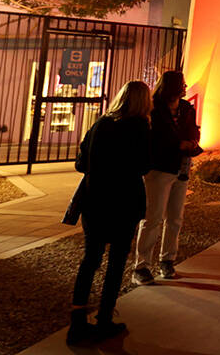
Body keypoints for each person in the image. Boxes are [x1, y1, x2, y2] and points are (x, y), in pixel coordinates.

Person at [67, 80, 151, 345]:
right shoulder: (139, 128)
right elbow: (144, 165)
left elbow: (81, 163)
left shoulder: (101, 123)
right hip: (124, 201)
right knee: (115, 263)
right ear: (142, 102)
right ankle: (105, 318)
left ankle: (77, 323)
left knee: (90, 259)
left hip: (94, 199)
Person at [133, 70, 201, 284]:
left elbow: (193, 130)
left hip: (181, 166)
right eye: (180, 83)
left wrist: (191, 142)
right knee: (152, 217)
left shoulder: (186, 109)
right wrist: (176, 145)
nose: (184, 86)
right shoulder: (154, 109)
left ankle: (167, 260)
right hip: (160, 168)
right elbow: (151, 138)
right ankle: (141, 265)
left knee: (175, 217)